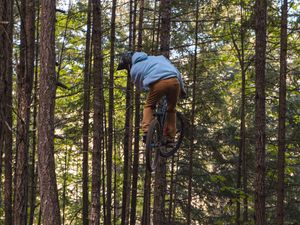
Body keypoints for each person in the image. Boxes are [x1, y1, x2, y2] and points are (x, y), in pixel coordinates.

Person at [117, 51, 186, 145]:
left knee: (149, 105)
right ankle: (170, 139)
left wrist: (149, 88)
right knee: (171, 110)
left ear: (128, 63)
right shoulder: (159, 58)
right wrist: (182, 90)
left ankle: (146, 132)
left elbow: (140, 87)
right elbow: (176, 71)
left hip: (159, 84)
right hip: (175, 81)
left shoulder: (134, 69)